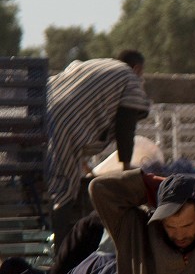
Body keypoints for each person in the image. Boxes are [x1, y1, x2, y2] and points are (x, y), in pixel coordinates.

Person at [48, 50, 150, 243]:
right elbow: (125, 127)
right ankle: (60, 252)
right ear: (137, 68)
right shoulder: (130, 78)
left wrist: (86, 168)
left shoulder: (97, 65)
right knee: (63, 192)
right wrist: (126, 171)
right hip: (62, 127)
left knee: (51, 185)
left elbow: (81, 110)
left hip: (38, 115)